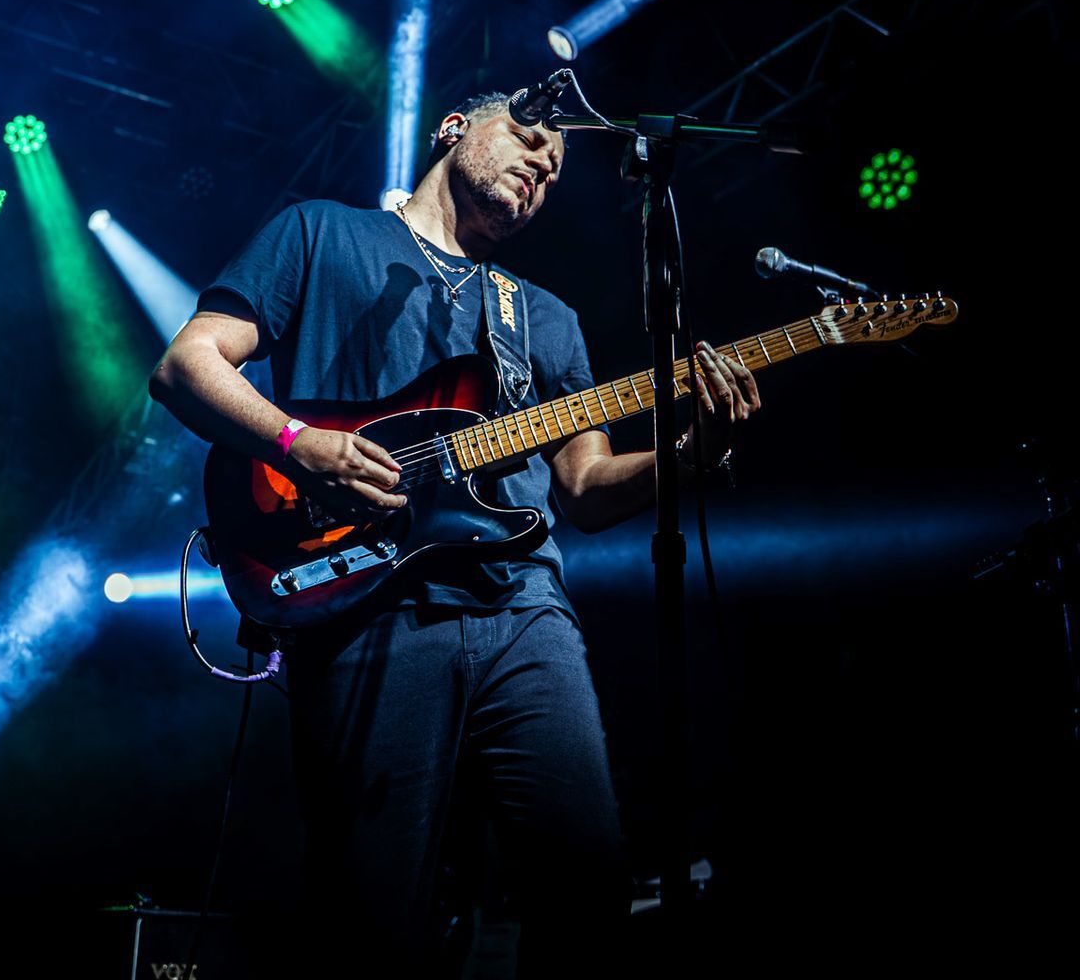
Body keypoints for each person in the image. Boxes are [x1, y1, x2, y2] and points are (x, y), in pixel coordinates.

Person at [149, 91, 760, 975]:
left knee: (587, 886)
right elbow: (186, 364)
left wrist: (693, 454)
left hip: (526, 613)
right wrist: (298, 443)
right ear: (453, 129)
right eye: (529, 137)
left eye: (555, 169)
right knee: (373, 911)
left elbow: (585, 489)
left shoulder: (544, 318)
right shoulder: (321, 233)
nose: (543, 164)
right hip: (367, 603)